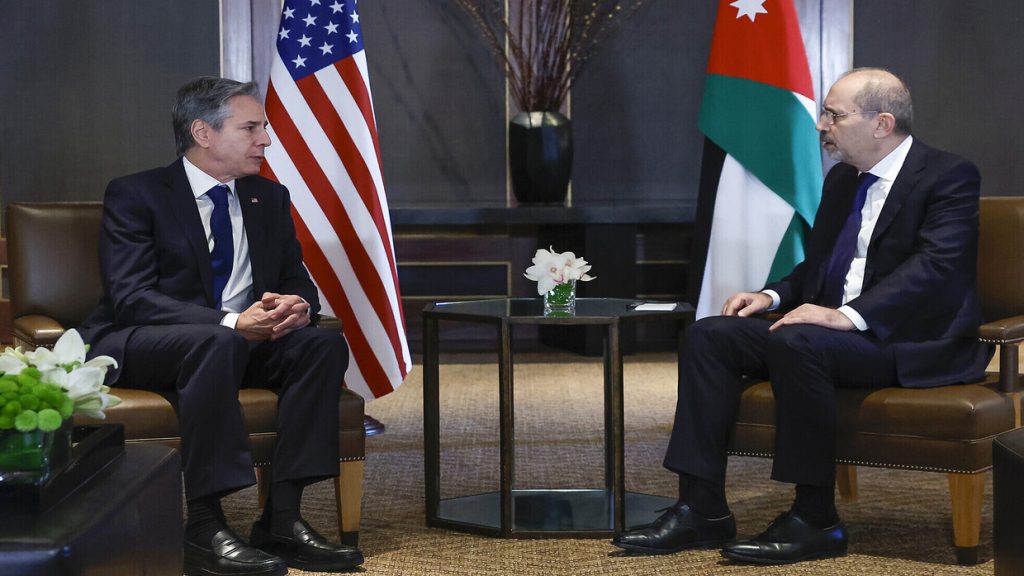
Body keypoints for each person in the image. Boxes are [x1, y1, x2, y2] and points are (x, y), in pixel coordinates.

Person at [611, 68, 992, 565]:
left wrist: (848, 316)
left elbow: (936, 268)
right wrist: (771, 296)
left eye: (834, 115)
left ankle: (816, 519)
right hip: (835, 336)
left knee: (798, 340)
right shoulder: (842, 180)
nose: (821, 126)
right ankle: (702, 508)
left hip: (907, 341)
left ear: (882, 123)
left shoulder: (948, 176)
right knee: (710, 335)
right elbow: (819, 266)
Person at [79, 77, 363, 576]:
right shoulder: (138, 194)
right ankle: (205, 525)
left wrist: (296, 305)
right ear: (203, 133)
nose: (265, 140)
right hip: (148, 340)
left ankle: (282, 519)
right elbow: (132, 297)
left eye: (263, 128)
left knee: (321, 345)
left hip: (237, 343)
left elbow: (297, 278)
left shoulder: (267, 197)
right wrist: (232, 321)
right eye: (251, 128)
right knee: (217, 340)